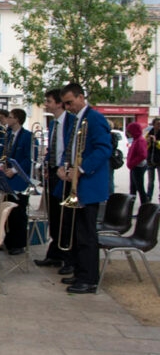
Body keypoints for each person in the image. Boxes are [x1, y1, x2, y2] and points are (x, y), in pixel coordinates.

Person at [57, 83, 112, 294]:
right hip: (77, 183)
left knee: (87, 234)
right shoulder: (77, 120)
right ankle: (81, 272)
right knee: (77, 233)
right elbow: (71, 148)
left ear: (81, 97)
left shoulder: (94, 118)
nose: (68, 107)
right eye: (65, 103)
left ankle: (89, 279)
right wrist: (64, 167)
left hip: (89, 184)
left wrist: (80, 169)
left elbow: (103, 149)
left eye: (70, 102)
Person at [34, 88, 75, 273]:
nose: (46, 104)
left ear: (59, 103)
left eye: (49, 101)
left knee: (65, 217)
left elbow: (69, 147)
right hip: (53, 172)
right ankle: (55, 254)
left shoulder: (71, 121)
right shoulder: (53, 123)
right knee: (54, 215)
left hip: (65, 173)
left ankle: (67, 257)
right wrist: (47, 165)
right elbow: (53, 149)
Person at [0, 108, 33, 255]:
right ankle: (8, 240)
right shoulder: (8, 135)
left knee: (19, 212)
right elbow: (5, 154)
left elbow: (28, 158)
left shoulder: (27, 136)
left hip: (19, 179)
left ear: (17, 119)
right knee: (8, 212)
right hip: (7, 179)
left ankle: (19, 244)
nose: (7, 120)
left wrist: (14, 170)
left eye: (10, 117)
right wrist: (1, 164)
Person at [126, 122, 149, 204]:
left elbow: (143, 155)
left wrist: (132, 163)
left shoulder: (140, 140)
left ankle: (145, 206)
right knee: (133, 188)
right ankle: (130, 207)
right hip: (135, 167)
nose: (128, 133)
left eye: (129, 131)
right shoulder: (136, 139)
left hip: (138, 167)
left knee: (139, 188)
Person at [146, 118, 160, 201]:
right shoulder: (150, 133)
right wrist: (148, 142)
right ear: (154, 125)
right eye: (158, 123)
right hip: (150, 160)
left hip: (159, 160)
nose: (159, 125)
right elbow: (145, 146)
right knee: (150, 181)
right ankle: (149, 196)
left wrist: (156, 142)